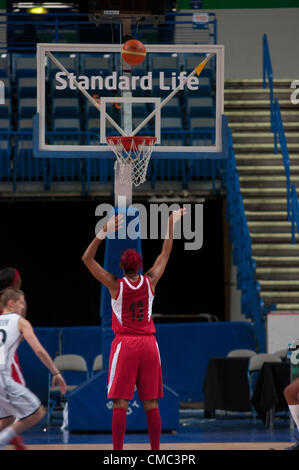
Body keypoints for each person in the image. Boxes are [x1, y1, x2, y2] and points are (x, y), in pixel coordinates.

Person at [82, 208, 186, 450]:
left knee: (120, 402)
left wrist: (103, 232)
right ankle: (156, 452)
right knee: (151, 403)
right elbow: (165, 253)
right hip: (150, 345)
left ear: (121, 265)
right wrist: (171, 223)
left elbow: (86, 259)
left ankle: (118, 453)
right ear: (139, 265)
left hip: (126, 344)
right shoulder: (150, 280)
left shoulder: (114, 284)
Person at [0, 287, 67, 450]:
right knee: (37, 412)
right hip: (2, 375)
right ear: (11, 303)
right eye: (21, 303)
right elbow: (39, 350)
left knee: (8, 418)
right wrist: (56, 372)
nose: (23, 307)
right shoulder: (20, 321)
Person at [0, 267, 27, 450]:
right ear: (15, 282)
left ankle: (17, 443)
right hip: (7, 358)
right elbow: (21, 334)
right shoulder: (16, 300)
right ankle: (17, 443)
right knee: (24, 407)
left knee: (8, 411)